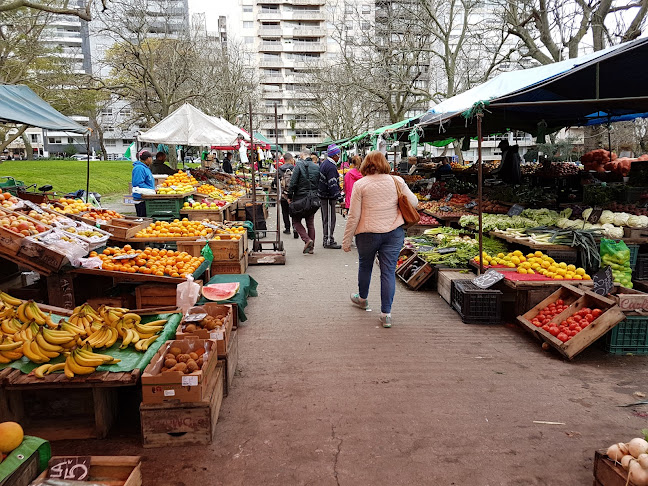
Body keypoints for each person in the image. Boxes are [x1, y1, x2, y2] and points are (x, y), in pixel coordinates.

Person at [342, 150, 418, 328]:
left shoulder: (361, 185)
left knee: (365, 266)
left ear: (366, 164)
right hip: (393, 233)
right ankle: (386, 314)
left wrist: (346, 240)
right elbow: (413, 202)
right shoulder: (397, 180)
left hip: (367, 234)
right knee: (388, 271)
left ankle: (362, 299)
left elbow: (354, 215)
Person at [287, 149, 320, 254]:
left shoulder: (299, 166)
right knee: (310, 222)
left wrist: (289, 196)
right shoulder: (316, 167)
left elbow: (293, 183)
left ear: (302, 155)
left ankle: (307, 240)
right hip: (313, 199)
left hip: (300, 198)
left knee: (296, 221)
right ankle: (311, 248)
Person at [319, 144, 343, 249]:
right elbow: (332, 184)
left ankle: (327, 239)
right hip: (328, 197)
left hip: (324, 196)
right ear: (334, 155)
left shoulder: (325, 164)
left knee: (326, 218)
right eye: (338, 154)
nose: (339, 157)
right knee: (329, 218)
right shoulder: (330, 166)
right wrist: (339, 197)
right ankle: (328, 240)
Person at [277, 152, 297, 237]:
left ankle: (287, 228)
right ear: (291, 159)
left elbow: (275, 182)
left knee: (285, 212)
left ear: (284, 160)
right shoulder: (295, 168)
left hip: (283, 194)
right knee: (294, 212)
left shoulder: (280, 169)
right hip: (293, 194)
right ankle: (295, 228)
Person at [132, 150, 155, 217]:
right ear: (148, 159)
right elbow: (138, 183)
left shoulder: (145, 168)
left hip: (146, 197)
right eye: (151, 158)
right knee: (143, 218)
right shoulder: (139, 168)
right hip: (141, 198)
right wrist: (151, 189)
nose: (152, 160)